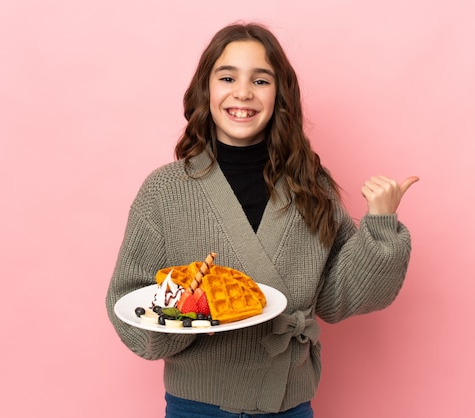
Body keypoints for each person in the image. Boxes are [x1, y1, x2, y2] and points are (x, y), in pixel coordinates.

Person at [106, 22, 418, 418]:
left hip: (289, 403)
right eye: (227, 77)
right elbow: (127, 297)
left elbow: (338, 299)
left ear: (280, 94)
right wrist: (183, 322)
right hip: (198, 406)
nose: (243, 92)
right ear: (207, 89)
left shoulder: (311, 186)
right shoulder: (164, 191)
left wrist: (381, 224)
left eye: (261, 80)